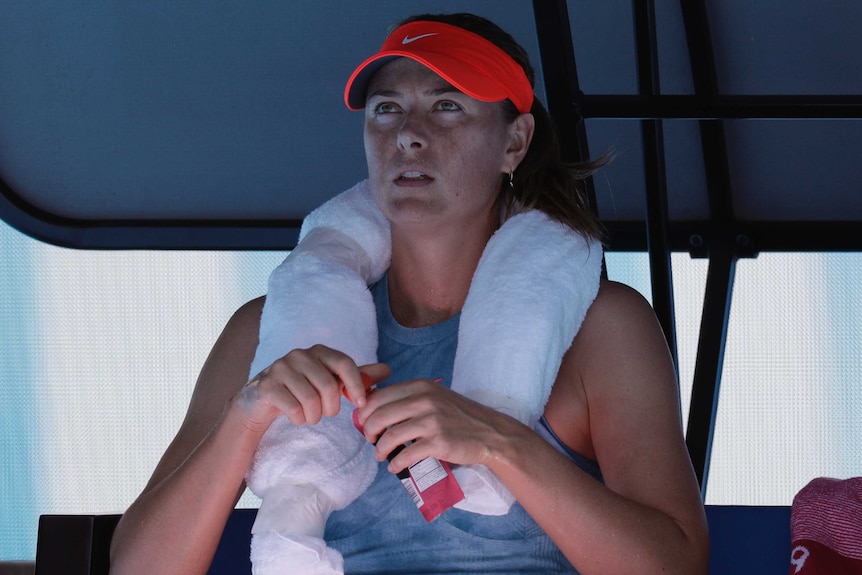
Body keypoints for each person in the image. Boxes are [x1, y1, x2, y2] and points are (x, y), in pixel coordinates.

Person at [109, 12, 710, 575]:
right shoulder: (264, 334)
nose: (409, 136)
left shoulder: (603, 327)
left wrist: (500, 442)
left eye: (447, 107)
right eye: (386, 110)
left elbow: (679, 566)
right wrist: (246, 421)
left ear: (515, 143)